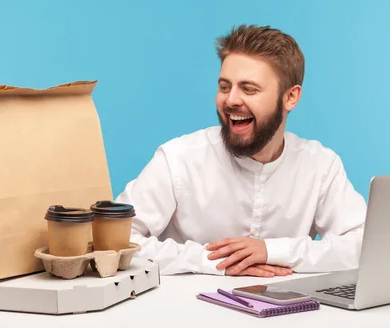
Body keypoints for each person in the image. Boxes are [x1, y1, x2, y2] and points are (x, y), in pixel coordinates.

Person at [115, 24, 367, 277]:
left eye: (249, 89)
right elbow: (116, 240)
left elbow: (364, 244)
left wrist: (272, 251)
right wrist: (213, 261)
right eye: (225, 87)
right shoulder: (178, 158)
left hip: (286, 313)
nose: (231, 100)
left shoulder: (321, 165)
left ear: (290, 97)